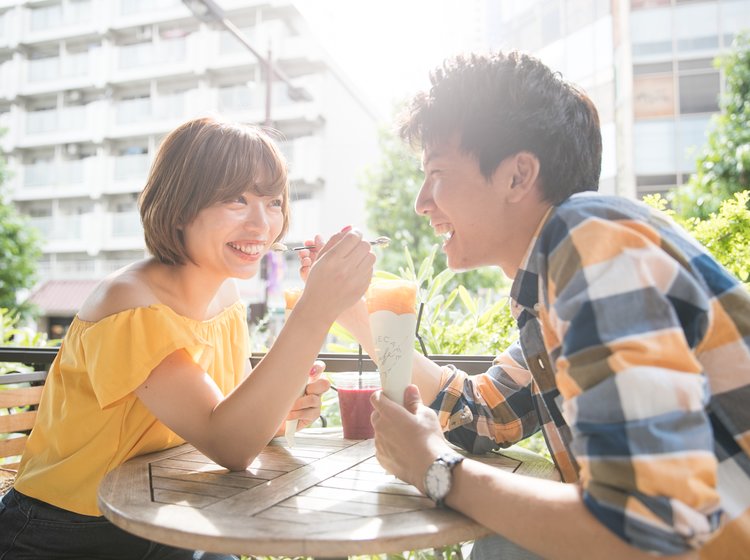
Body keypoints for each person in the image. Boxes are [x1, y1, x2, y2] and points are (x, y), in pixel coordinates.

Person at [307, 51, 750, 559]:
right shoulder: (560, 277)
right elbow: (480, 415)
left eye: (438, 173)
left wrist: (434, 469)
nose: (422, 202)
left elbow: (649, 527)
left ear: (518, 175)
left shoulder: (589, 238)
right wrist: (355, 316)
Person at [0, 116, 376, 560]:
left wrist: (278, 412)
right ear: (180, 207)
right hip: (64, 530)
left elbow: (227, 418)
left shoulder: (226, 295)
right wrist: (316, 308)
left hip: (164, 512)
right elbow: (230, 445)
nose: (262, 224)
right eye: (237, 199)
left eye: (273, 202)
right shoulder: (130, 303)